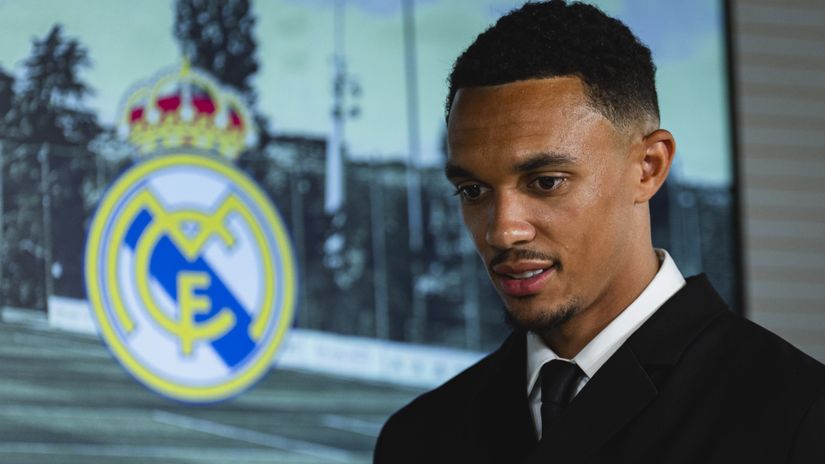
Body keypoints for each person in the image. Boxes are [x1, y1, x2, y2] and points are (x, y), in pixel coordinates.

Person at [373, 1, 825, 463]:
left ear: (648, 167)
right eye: (472, 190)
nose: (503, 230)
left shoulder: (799, 417)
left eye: (546, 182)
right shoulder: (417, 439)